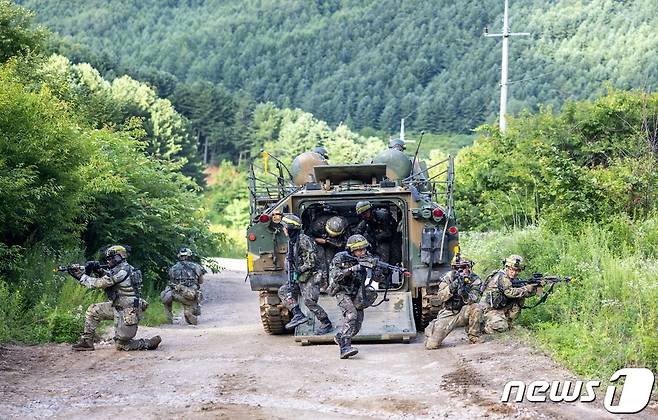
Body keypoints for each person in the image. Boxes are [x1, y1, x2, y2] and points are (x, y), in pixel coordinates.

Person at [67, 245, 161, 351]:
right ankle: (87, 341)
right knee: (93, 310)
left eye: (110, 258)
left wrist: (81, 277)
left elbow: (100, 283)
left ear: (118, 257)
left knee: (122, 344)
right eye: (107, 258)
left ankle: (147, 343)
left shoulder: (122, 270)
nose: (108, 261)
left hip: (128, 311)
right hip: (118, 306)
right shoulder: (123, 268)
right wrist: (99, 270)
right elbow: (110, 277)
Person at [277, 214, 333, 334]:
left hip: (311, 276)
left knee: (309, 301)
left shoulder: (303, 240)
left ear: (290, 228)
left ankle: (326, 322)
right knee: (283, 291)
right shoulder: (292, 241)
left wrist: (298, 270)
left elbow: (311, 262)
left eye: (285, 227)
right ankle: (298, 314)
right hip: (300, 276)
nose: (283, 230)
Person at [328, 234, 378, 359]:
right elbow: (335, 276)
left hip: (357, 292)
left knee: (357, 324)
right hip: (341, 290)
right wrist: (352, 269)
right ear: (351, 250)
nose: (362, 252)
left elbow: (377, 278)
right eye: (358, 250)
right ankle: (345, 348)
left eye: (364, 249)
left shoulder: (367, 258)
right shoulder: (340, 258)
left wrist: (376, 268)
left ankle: (340, 337)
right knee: (351, 315)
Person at [424, 255, 483, 349]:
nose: (461, 271)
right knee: (431, 345)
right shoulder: (448, 277)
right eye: (456, 268)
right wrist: (453, 286)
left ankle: (474, 336)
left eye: (463, 267)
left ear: (469, 267)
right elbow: (441, 297)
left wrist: (465, 293)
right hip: (449, 312)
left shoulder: (474, 279)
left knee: (476, 308)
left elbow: (475, 298)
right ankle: (433, 329)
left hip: (464, 311)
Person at [479, 255, 540, 334]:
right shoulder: (501, 277)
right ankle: (482, 327)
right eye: (512, 270)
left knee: (520, 296)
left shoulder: (514, 279)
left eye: (517, 270)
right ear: (507, 267)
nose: (514, 273)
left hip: (499, 309)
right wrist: (526, 288)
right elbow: (510, 292)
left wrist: (536, 287)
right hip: (488, 310)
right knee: (501, 326)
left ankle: (509, 322)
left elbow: (526, 293)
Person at [161, 247, 206, 325]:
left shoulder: (173, 268)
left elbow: (171, 281)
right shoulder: (196, 267)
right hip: (189, 295)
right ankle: (188, 312)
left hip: (175, 294)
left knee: (166, 293)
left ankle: (168, 318)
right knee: (191, 307)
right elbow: (201, 282)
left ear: (179, 256)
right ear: (190, 256)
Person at [311, 215, 350, 291]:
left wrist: (335, 243)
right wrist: (316, 239)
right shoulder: (317, 225)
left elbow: (346, 242)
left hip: (333, 244)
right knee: (320, 258)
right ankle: (323, 282)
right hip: (318, 243)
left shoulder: (344, 225)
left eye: (333, 234)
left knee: (331, 260)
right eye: (330, 233)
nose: (331, 235)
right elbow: (306, 237)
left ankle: (333, 283)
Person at [354, 200, 397, 265]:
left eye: (365, 213)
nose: (364, 216)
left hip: (387, 240)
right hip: (373, 240)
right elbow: (357, 233)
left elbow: (390, 232)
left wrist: (375, 238)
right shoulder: (365, 221)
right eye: (362, 214)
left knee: (386, 257)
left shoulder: (383, 216)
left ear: (370, 210)